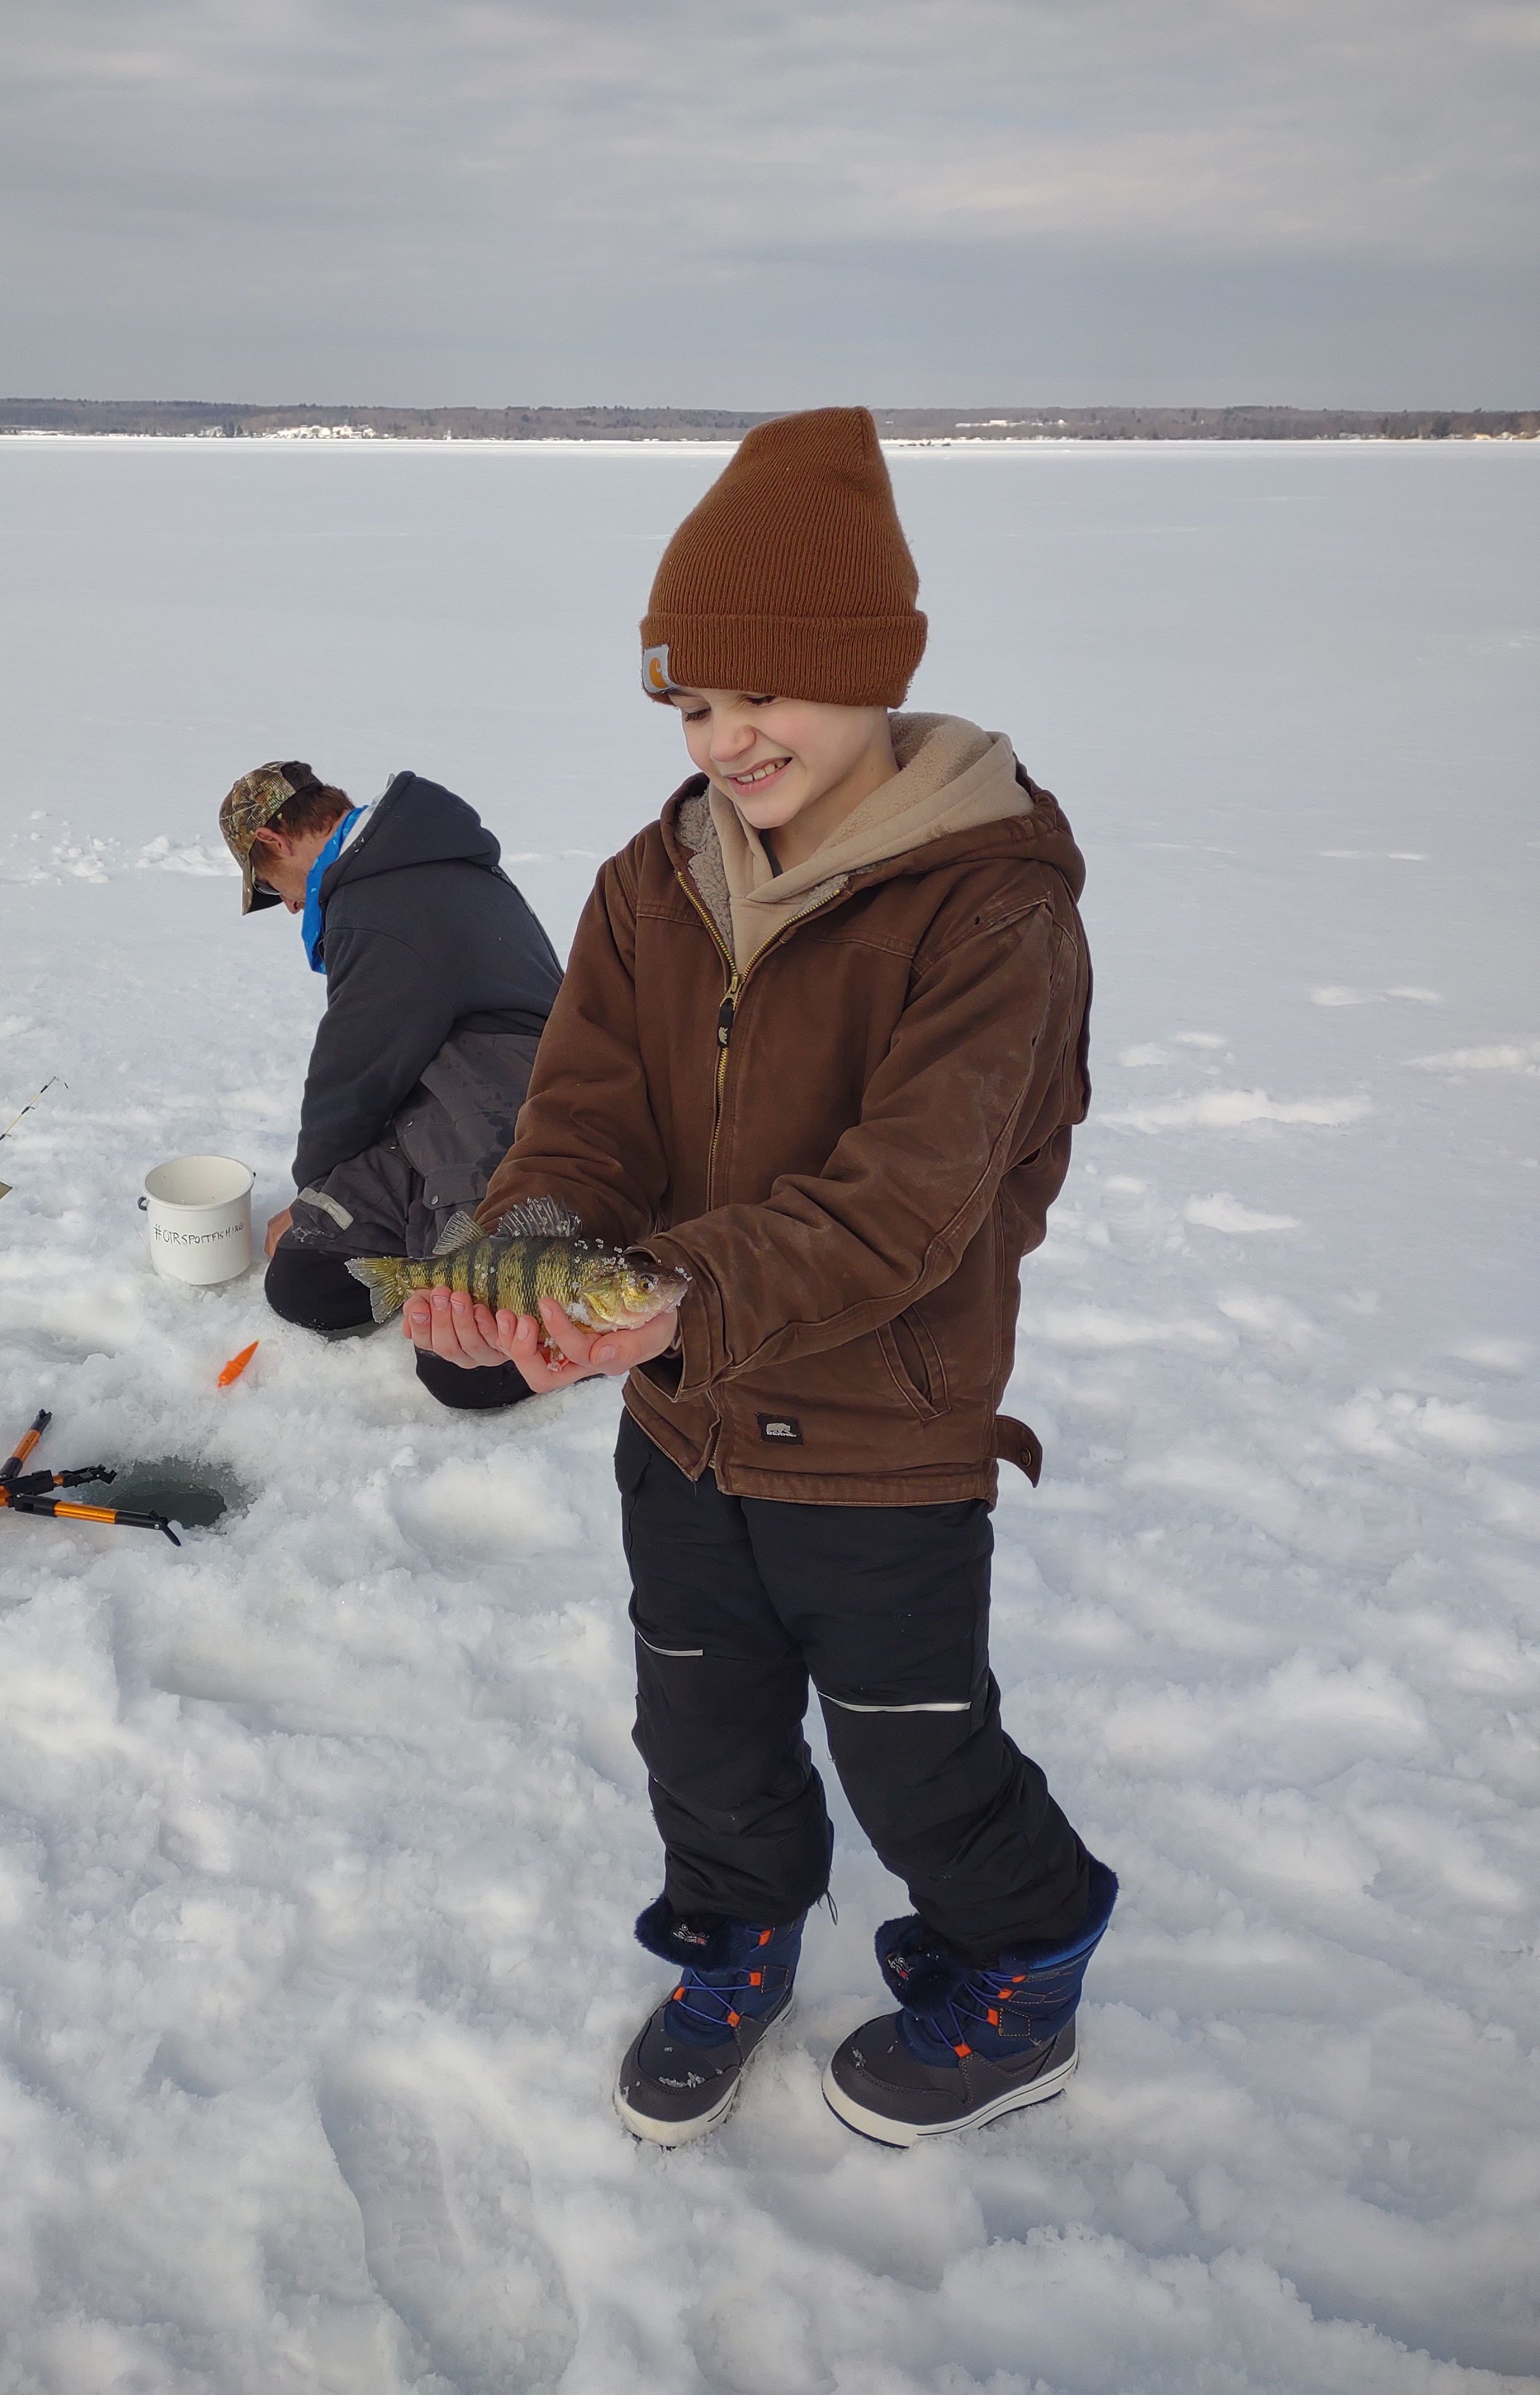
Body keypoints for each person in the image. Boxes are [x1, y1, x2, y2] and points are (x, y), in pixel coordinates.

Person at [409, 408, 1117, 2146]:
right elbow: (577, 1118)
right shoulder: (651, 883)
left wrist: (680, 1298)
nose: (727, 739)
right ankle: (735, 1944)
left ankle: (1024, 1956)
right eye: (693, 706)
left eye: (764, 695)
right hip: (685, 1426)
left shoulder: (991, 907)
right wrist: (540, 1265)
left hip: (884, 1435)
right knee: (702, 1731)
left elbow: (910, 1206)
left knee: (913, 1750)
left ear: (870, 672)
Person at [218, 759, 562, 1412]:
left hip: (502, 1110)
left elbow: (355, 1073)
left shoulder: (380, 899)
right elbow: (376, 1064)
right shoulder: (388, 871)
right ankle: (424, 1244)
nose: (290, 904)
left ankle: (591, 1320)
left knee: (466, 1369)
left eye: (272, 887)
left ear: (274, 842)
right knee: (307, 1280)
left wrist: (312, 1186)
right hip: (427, 1107)